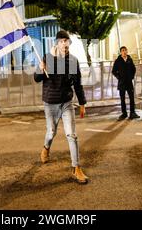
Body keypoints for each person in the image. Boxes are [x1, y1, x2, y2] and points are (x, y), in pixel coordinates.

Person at [34, 30, 89, 184]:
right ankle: (46, 147)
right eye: (62, 41)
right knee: (51, 132)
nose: (65, 44)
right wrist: (40, 68)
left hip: (66, 103)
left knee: (72, 135)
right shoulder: (48, 59)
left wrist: (82, 103)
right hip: (50, 103)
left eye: (67, 41)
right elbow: (37, 78)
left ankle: (76, 168)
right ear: (57, 44)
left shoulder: (72, 61)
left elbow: (78, 84)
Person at [112, 46, 140, 120]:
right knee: (122, 99)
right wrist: (119, 77)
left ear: (127, 51)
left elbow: (134, 68)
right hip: (122, 82)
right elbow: (114, 71)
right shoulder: (118, 61)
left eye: (125, 50)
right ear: (121, 52)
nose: (124, 52)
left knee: (131, 98)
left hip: (129, 82)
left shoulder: (129, 59)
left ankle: (132, 113)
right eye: (123, 50)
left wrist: (132, 76)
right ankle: (124, 113)